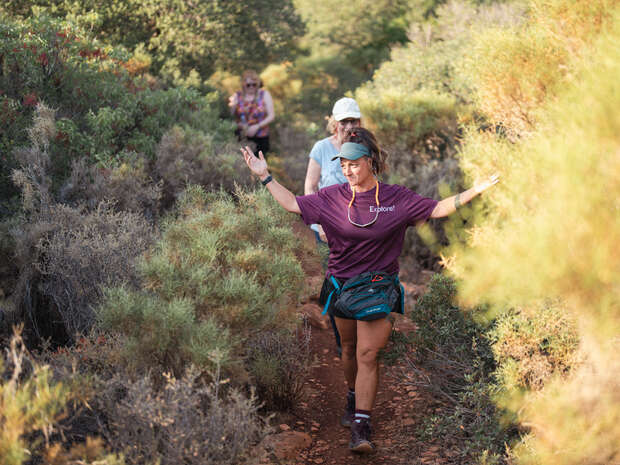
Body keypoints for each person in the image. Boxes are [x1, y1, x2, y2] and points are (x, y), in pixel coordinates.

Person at [241, 127, 499, 454]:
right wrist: (265, 177)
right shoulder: (332, 197)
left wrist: (474, 190)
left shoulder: (396, 199)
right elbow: (293, 203)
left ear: (371, 162)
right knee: (348, 350)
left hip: (378, 288)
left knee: (367, 354)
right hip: (341, 286)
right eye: (343, 164)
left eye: (354, 164)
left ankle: (361, 425)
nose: (348, 170)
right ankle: (352, 395)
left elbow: (437, 208)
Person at [303, 97, 363, 354]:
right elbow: (310, 187)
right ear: (334, 123)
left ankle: (361, 335)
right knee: (336, 280)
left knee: (360, 279)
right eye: (344, 121)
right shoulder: (321, 149)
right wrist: (319, 224)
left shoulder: (364, 146)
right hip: (327, 229)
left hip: (360, 228)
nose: (349, 125)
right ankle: (342, 339)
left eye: (353, 120)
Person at [229, 69, 275, 156]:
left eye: (254, 84)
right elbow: (231, 116)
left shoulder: (264, 94)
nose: (251, 87)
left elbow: (271, 116)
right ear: (243, 84)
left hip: (261, 137)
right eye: (248, 85)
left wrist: (257, 127)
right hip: (242, 136)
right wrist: (233, 105)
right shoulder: (237, 96)